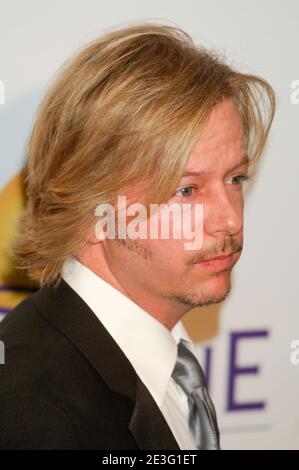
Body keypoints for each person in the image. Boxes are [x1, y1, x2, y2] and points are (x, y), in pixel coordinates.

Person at [0, 22, 275, 450]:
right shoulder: (35, 416)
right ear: (92, 211)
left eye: (236, 178)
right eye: (186, 190)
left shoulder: (163, 360)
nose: (230, 220)